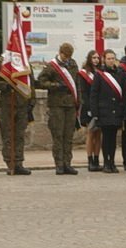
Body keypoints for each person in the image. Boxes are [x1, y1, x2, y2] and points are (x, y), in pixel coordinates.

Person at [37, 42, 80, 175]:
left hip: (70, 105)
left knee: (68, 136)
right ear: (60, 53)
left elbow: (77, 84)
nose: (67, 58)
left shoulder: (73, 64)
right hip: (57, 105)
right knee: (58, 135)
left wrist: (78, 101)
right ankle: (59, 164)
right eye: (65, 56)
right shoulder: (52, 66)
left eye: (69, 56)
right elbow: (41, 81)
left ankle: (68, 163)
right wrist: (55, 85)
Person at [0, 51, 36, 175]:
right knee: (8, 134)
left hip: (22, 104)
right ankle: (10, 163)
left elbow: (30, 83)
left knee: (19, 135)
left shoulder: (25, 63)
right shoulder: (3, 61)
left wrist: (32, 101)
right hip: (7, 104)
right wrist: (5, 86)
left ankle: (19, 163)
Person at [89, 49, 126, 173]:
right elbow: (94, 94)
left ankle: (112, 162)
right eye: (109, 58)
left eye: (113, 58)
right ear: (104, 60)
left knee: (114, 138)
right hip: (104, 110)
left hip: (117, 110)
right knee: (106, 138)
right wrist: (95, 112)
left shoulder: (120, 74)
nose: (111, 61)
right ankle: (106, 162)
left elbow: (124, 94)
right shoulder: (99, 75)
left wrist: (124, 110)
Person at [77, 50, 103, 171]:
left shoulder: (101, 72)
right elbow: (84, 93)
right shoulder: (83, 74)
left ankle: (97, 159)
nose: (96, 60)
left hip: (100, 107)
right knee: (90, 133)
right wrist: (89, 109)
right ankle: (90, 160)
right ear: (89, 59)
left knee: (98, 135)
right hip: (89, 108)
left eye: (98, 58)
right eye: (93, 58)